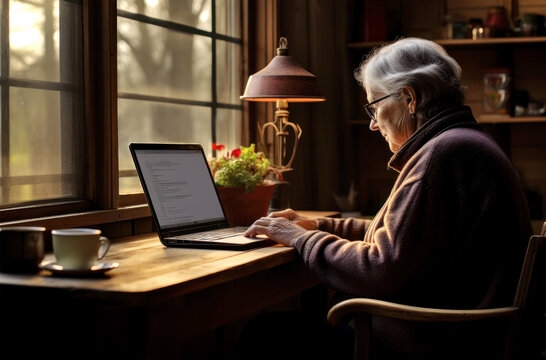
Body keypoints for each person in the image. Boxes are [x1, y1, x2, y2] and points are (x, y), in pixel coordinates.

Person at [242, 38, 533, 359]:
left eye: (375, 106)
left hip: (433, 343)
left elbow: (379, 268)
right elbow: (405, 238)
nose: (371, 123)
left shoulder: (443, 153)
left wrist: (304, 240)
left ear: (409, 98)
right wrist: (318, 225)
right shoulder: (461, 143)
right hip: (456, 333)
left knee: (263, 335)